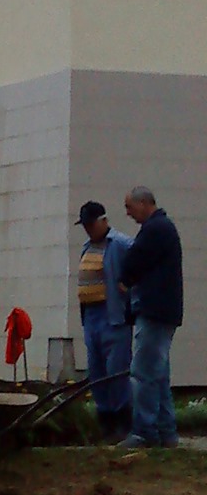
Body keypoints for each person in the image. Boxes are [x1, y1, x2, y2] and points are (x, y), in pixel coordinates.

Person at [118, 186, 184, 450]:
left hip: (154, 312)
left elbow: (134, 260)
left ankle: (144, 432)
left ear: (144, 203)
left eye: (130, 207)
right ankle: (166, 432)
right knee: (158, 375)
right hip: (165, 312)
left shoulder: (155, 230)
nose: (128, 213)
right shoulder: (164, 228)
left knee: (143, 372)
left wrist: (125, 280)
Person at [75, 200, 133, 441]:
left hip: (113, 314)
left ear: (103, 221)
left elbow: (137, 271)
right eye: (85, 226)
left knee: (116, 371)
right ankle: (105, 421)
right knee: (97, 369)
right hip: (91, 315)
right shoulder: (87, 247)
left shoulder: (120, 244)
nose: (88, 229)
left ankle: (122, 423)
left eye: (91, 224)